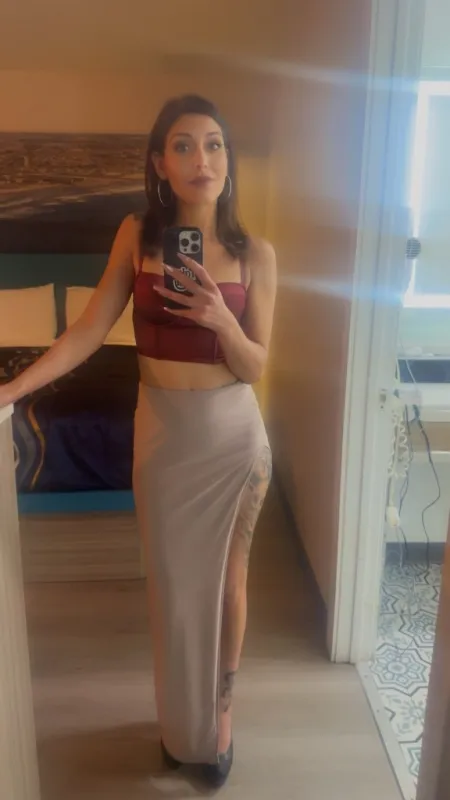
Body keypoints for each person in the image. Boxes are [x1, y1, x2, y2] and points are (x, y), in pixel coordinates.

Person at [0, 94, 277, 788]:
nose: (201, 159)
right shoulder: (137, 236)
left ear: (228, 160)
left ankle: (219, 719)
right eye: (183, 145)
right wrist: (13, 388)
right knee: (173, 591)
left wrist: (220, 318)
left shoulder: (256, 254)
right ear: (159, 163)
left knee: (228, 585)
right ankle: (179, 725)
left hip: (231, 439)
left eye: (214, 144)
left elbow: (255, 365)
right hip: (163, 436)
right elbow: (90, 328)